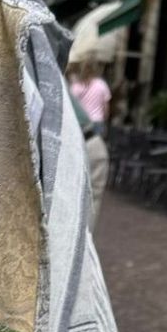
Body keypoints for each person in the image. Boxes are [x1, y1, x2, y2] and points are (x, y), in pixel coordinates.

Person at [67, 60, 112, 231]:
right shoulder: (101, 84)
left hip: (77, 130)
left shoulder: (75, 86)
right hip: (93, 127)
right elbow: (106, 107)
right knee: (91, 198)